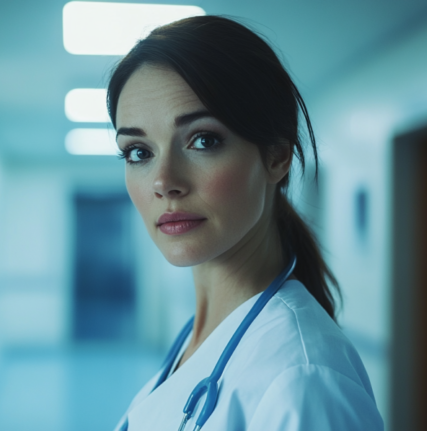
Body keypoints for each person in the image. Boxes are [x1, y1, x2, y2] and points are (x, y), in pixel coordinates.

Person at [108, 16, 383, 431]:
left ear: (276, 156)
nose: (164, 182)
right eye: (138, 152)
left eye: (203, 140)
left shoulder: (302, 381)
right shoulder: (203, 338)